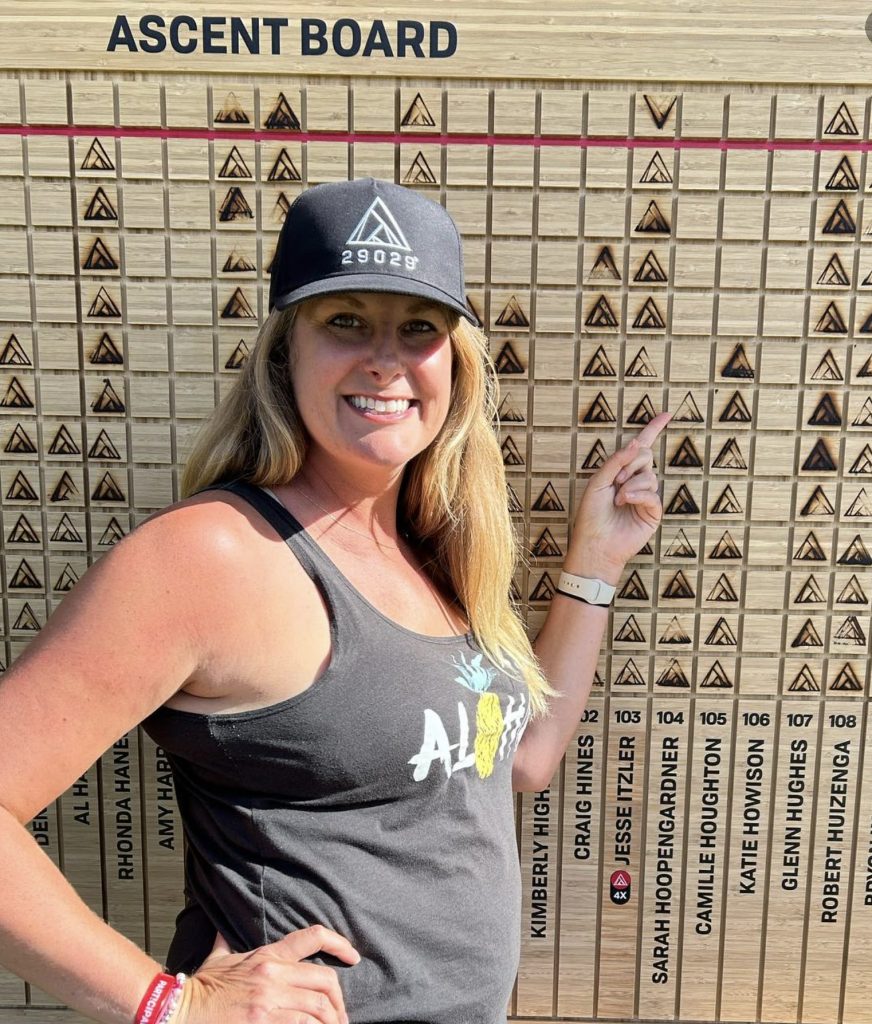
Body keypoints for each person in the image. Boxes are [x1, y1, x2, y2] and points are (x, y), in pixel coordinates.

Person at [0, 177, 670, 1024]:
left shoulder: (432, 554)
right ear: (286, 352)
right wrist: (174, 1007)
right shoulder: (214, 556)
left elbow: (519, 760)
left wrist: (595, 563)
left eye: (418, 328)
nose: (386, 359)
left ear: (454, 365)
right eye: (345, 320)